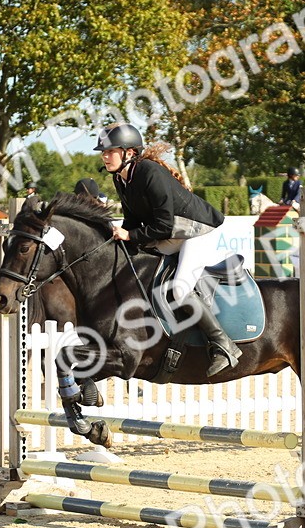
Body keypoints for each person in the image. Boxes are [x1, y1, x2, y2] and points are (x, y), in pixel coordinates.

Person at [96, 123, 241, 376]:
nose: (104, 156)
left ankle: (224, 345)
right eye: (104, 152)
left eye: (110, 151)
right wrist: (120, 237)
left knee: (181, 289)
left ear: (129, 153)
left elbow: (163, 224)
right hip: (173, 233)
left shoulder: (149, 172)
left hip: (197, 232)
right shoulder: (120, 178)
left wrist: (130, 235)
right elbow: (132, 219)